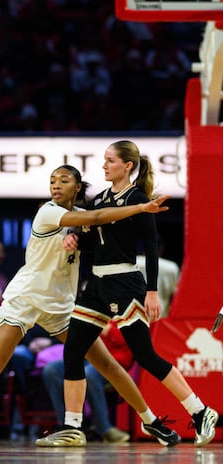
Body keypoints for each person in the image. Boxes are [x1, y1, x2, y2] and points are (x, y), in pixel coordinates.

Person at [0, 163, 178, 447]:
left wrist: (135, 203)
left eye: (63, 180)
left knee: (108, 365)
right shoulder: (49, 212)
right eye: (52, 180)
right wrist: (140, 209)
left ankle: (151, 422)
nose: (55, 185)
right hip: (25, 299)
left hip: (61, 306)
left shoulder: (82, 218)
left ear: (77, 188)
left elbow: (106, 220)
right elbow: (101, 214)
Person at [43, 141, 218, 447]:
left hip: (126, 283)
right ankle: (72, 427)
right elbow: (94, 240)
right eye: (104, 160)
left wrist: (152, 291)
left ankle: (200, 411)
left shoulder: (139, 200)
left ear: (127, 166)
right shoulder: (100, 200)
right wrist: (75, 239)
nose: (104, 165)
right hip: (96, 286)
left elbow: (150, 248)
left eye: (110, 161)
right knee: (72, 351)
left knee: (146, 356)